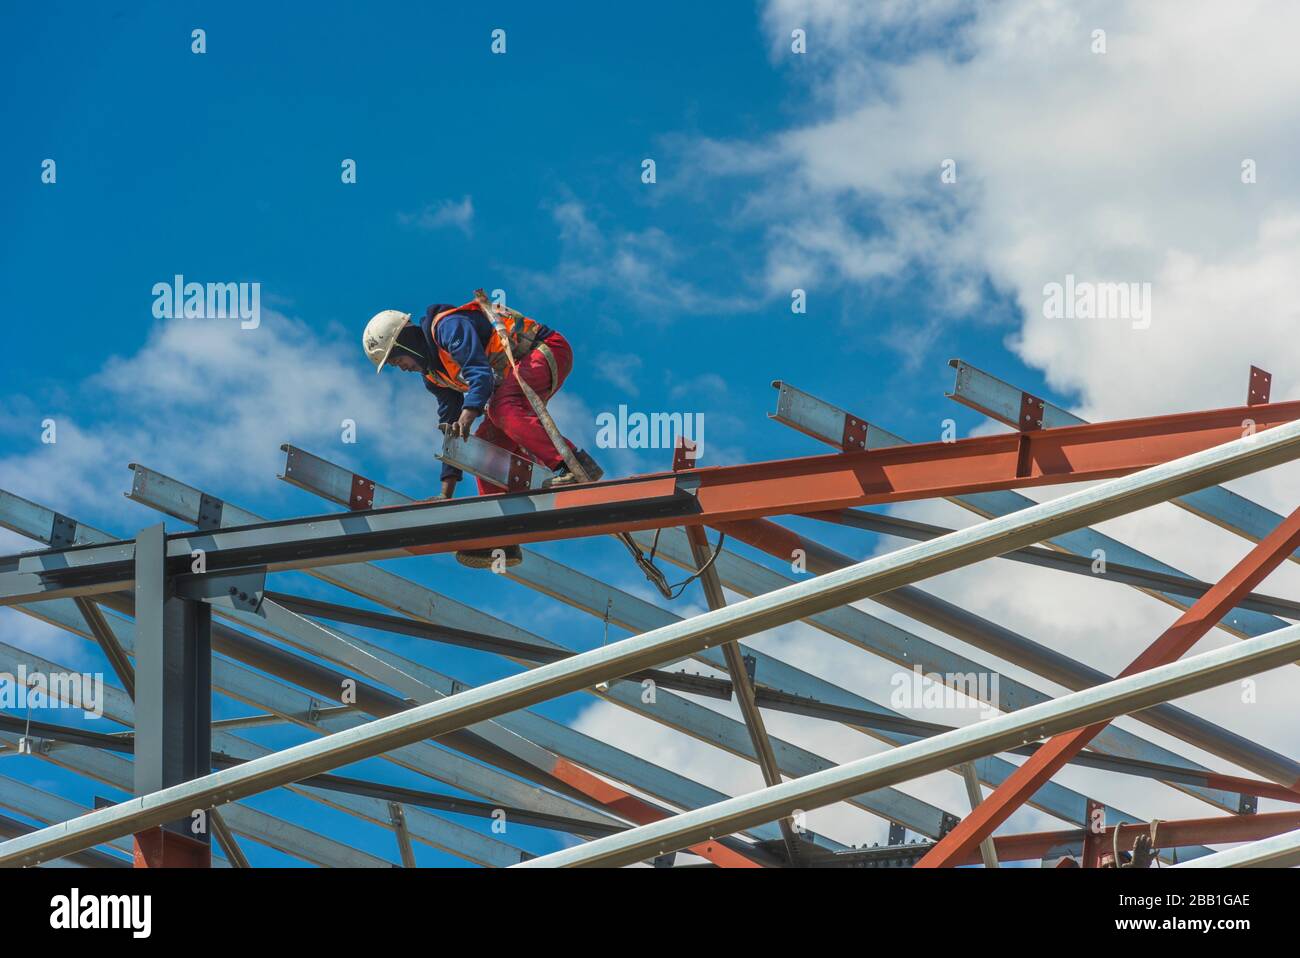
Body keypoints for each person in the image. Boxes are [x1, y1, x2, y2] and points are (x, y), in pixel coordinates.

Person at [362, 298, 602, 567]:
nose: (401, 367)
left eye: (396, 359)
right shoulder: (434, 376)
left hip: (545, 352)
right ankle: (500, 534)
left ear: (404, 342)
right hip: (516, 375)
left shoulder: (448, 328)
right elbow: (451, 431)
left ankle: (573, 465)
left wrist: (471, 410)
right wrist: (446, 491)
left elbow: (479, 374)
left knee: (501, 408)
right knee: (484, 449)